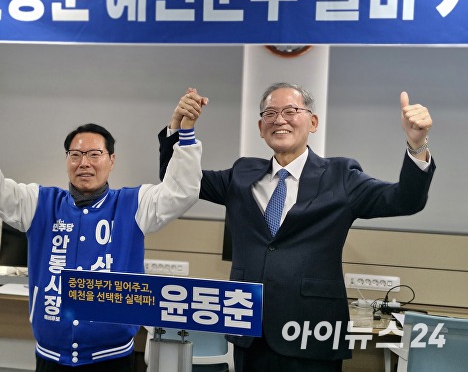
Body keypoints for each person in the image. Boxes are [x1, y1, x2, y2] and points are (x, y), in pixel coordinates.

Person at [159, 83, 435, 372]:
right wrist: (177, 127)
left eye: (291, 111)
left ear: (313, 122)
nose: (280, 119)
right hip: (249, 331)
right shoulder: (241, 174)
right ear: (261, 127)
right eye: (270, 113)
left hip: (312, 333)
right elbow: (177, 181)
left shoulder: (341, 176)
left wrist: (417, 145)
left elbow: (405, 200)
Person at [0, 99, 203, 371]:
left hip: (111, 359)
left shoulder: (134, 205)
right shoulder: (40, 203)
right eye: (75, 155)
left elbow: (181, 193)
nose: (84, 163)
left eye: (94, 154)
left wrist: (185, 134)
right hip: (50, 358)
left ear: (111, 160)